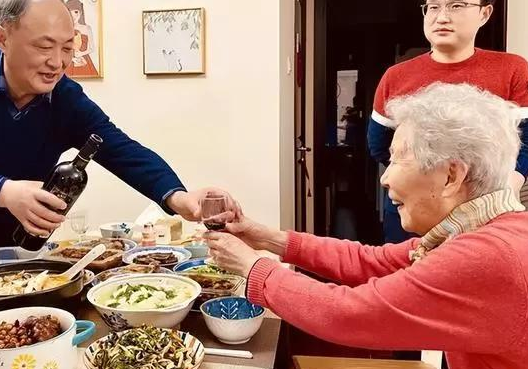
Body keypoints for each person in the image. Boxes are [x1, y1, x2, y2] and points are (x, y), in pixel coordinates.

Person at [0, 0, 239, 294]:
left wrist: (179, 198)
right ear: (3, 37)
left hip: (18, 260)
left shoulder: (64, 96)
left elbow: (119, 148)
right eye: (44, 46)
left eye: (68, 47)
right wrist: (5, 191)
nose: (57, 62)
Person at [207, 83, 528, 369]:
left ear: (451, 176)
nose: (385, 178)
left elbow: (346, 314)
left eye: (397, 159)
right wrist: (267, 238)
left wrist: (251, 266)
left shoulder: (488, 257)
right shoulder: (480, 231)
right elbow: (372, 261)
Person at [367, 0, 528, 243]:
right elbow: (379, 144)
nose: (442, 17)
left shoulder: (512, 69)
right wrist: (424, 177)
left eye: (456, 6)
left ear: (484, 13)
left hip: (487, 208)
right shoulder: (396, 76)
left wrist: (509, 182)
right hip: (414, 208)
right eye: (433, 7)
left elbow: (527, 140)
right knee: (406, 266)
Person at [65, 0, 98, 77]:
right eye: (70, 13)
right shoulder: (64, 29)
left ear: (80, 12)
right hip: (69, 62)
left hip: (84, 61)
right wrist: (72, 58)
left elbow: (92, 48)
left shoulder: (87, 28)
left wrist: (81, 54)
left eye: (76, 12)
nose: (74, 16)